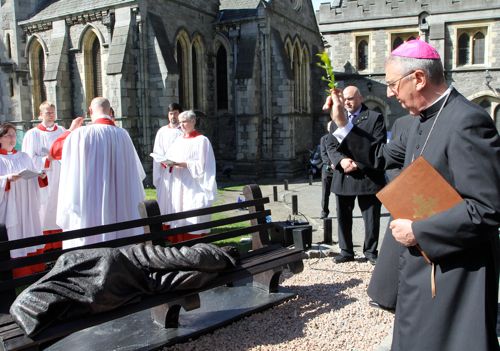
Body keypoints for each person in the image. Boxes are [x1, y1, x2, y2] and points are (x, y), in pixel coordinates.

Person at [325, 39, 500, 351]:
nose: (390, 92)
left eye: (393, 84)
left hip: (455, 273)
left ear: (418, 78)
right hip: (421, 269)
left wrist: (418, 230)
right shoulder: (418, 122)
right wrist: (342, 125)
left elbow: (487, 208)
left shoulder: (467, 121)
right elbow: (380, 157)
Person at [50, 97, 146, 249]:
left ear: (90, 111)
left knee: (90, 237)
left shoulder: (80, 134)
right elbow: (137, 174)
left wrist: (70, 130)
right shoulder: (124, 135)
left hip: (90, 199)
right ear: (110, 111)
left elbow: (55, 151)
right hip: (119, 199)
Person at [326, 86, 386, 265]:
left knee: (371, 217)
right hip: (344, 175)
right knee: (343, 216)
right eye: (344, 99)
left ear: (360, 97)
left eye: (351, 98)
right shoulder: (337, 117)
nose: (347, 103)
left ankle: (370, 251)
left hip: (367, 175)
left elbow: (376, 145)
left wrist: (357, 163)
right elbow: (330, 145)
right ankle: (346, 251)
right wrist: (341, 161)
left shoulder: (375, 118)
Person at [367, 114, 414, 311]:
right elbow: (390, 160)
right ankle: (387, 297)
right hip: (405, 194)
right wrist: (401, 186)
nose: (390, 95)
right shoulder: (402, 123)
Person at [0, 123, 47, 277]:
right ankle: (18, 273)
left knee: (29, 231)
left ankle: (35, 269)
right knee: (14, 233)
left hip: (27, 203)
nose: (12, 138)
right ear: (0, 138)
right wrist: (6, 179)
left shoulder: (24, 156)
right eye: (8, 135)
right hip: (10, 204)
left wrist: (40, 176)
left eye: (14, 134)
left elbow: (33, 175)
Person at [164, 110, 217, 243]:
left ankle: (195, 240)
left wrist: (183, 164)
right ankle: (178, 239)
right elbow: (170, 156)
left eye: (184, 122)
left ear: (193, 121)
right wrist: (166, 162)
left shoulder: (202, 141)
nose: (181, 125)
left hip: (194, 184)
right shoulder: (178, 140)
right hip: (178, 182)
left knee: (191, 208)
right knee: (179, 209)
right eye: (180, 122)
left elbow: (204, 165)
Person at [21, 102, 66, 250]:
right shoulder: (32, 134)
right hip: (43, 180)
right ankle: (44, 249)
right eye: (48, 112)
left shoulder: (62, 131)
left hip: (61, 179)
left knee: (60, 210)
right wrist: (47, 159)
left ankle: (61, 246)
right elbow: (27, 160)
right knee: (43, 212)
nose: (52, 115)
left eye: (53, 112)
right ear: (40, 115)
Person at [152, 103, 183, 220]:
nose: (173, 116)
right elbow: (157, 151)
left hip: (180, 172)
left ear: (180, 114)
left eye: (175, 113)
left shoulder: (184, 131)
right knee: (166, 199)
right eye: (171, 114)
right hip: (165, 172)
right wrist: (163, 162)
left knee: (179, 199)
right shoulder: (162, 131)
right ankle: (166, 226)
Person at [319, 121, 334, 219]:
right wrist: (330, 163)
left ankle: (341, 212)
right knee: (325, 193)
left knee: (340, 194)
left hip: (338, 170)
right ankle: (324, 212)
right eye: (330, 127)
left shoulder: (340, 138)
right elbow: (323, 154)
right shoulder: (324, 139)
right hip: (327, 170)